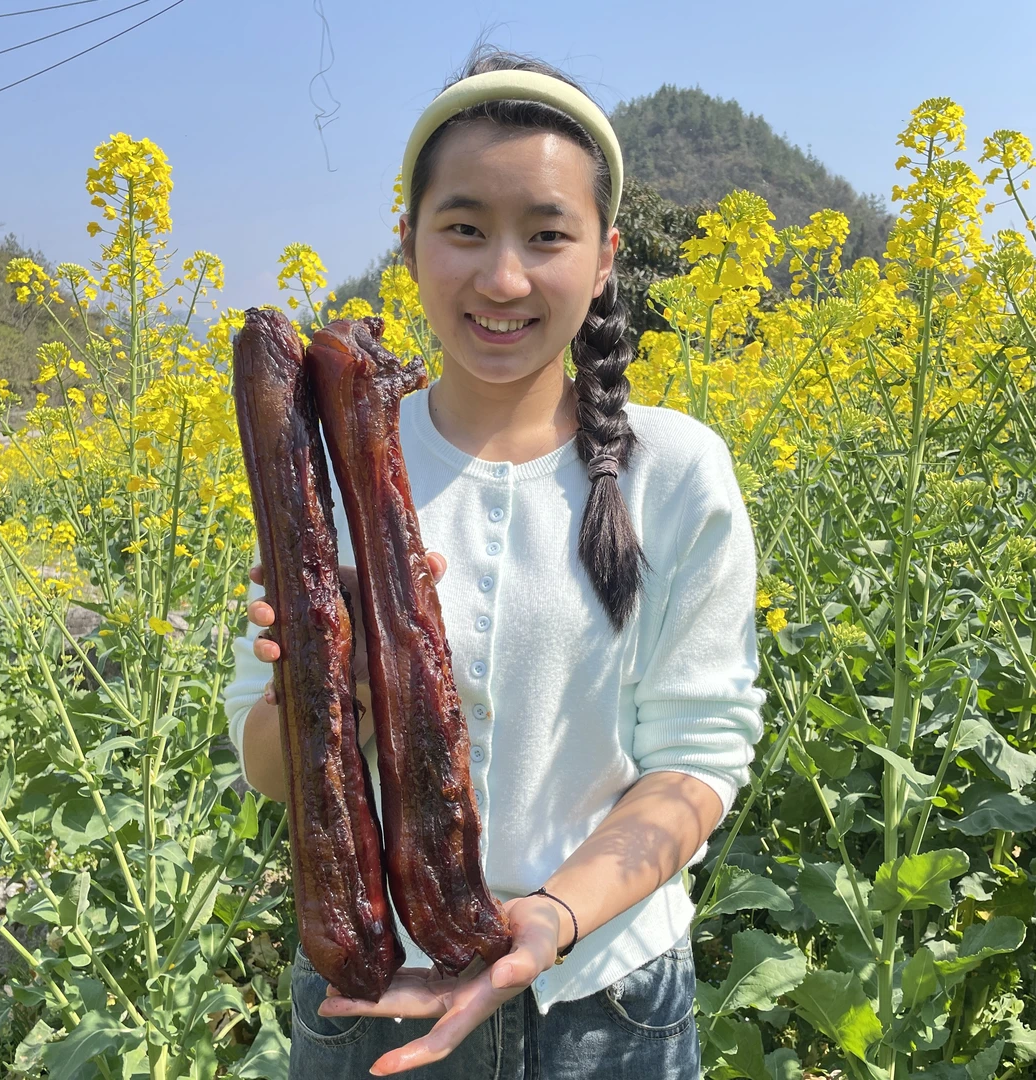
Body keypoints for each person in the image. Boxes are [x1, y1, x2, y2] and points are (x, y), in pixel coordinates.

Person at [221, 43, 766, 1080]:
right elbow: (268, 771)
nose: (503, 276)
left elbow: (699, 756)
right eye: (464, 227)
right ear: (410, 242)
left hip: (609, 1002)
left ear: (605, 257)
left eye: (547, 235)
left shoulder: (678, 470)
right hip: (370, 996)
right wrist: (318, 694)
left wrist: (553, 919)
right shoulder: (324, 465)